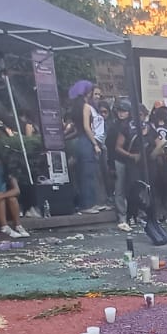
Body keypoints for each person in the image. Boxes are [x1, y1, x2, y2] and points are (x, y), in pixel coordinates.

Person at [67, 79, 107, 213]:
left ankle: (89, 202)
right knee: (87, 173)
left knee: (85, 173)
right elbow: (86, 127)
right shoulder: (85, 107)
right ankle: (87, 204)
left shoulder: (77, 107)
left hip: (80, 141)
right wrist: (95, 143)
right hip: (86, 141)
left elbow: (77, 129)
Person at [106, 100, 134, 231]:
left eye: (124, 111)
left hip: (133, 161)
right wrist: (111, 165)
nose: (122, 113)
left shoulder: (134, 125)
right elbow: (110, 147)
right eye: (120, 111)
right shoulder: (113, 126)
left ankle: (133, 215)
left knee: (133, 188)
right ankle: (122, 217)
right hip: (118, 160)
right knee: (119, 189)